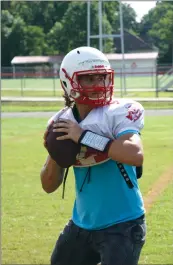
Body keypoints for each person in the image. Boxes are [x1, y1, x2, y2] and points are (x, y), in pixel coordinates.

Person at [40, 46, 146, 265]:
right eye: (89, 79)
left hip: (122, 225)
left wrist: (85, 137)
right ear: (68, 82)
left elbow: (135, 154)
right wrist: (54, 152)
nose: (99, 85)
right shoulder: (62, 122)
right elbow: (49, 185)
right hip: (81, 224)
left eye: (102, 77)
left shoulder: (118, 112)